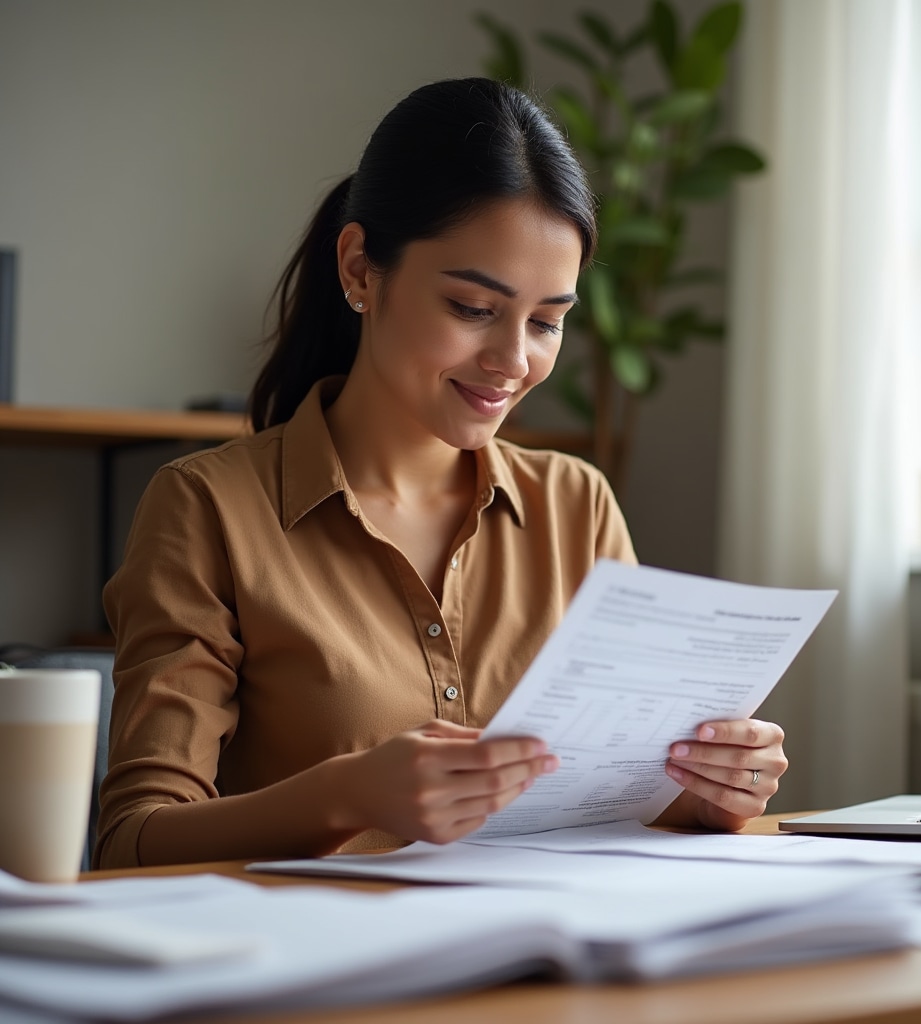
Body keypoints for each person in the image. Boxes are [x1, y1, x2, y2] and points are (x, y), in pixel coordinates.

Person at [95, 77, 788, 870]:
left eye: (548, 322)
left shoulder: (577, 503)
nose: (512, 361)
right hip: (328, 976)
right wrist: (348, 795)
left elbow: (624, 796)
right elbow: (134, 840)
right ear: (360, 269)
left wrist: (708, 789)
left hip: (551, 963)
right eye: (472, 308)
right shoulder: (207, 508)